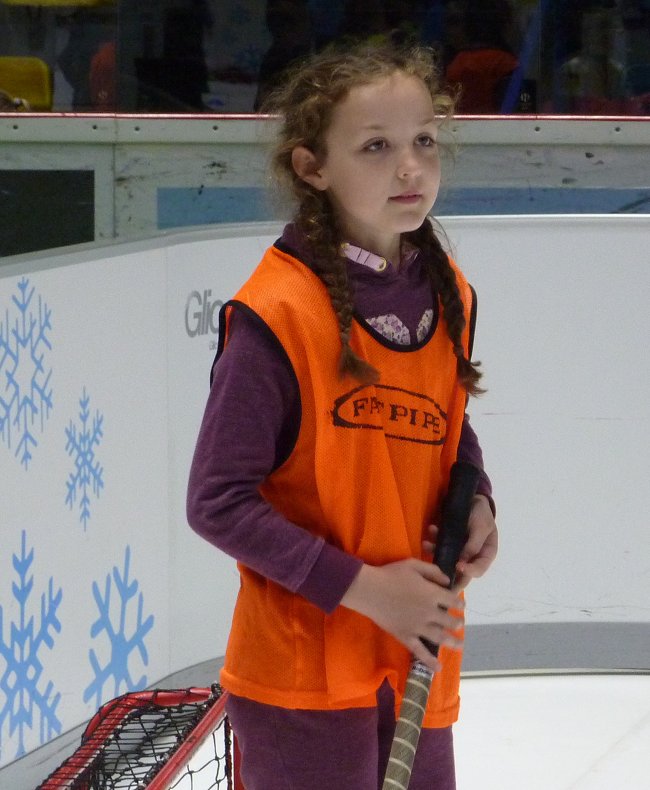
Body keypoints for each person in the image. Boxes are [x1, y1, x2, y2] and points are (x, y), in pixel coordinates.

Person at [187, 44, 498, 790]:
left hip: (412, 659)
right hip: (304, 680)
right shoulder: (278, 314)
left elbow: (438, 421)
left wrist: (478, 494)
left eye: (423, 140)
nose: (410, 168)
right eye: (376, 147)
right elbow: (217, 502)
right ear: (311, 168)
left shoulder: (448, 291)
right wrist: (368, 590)